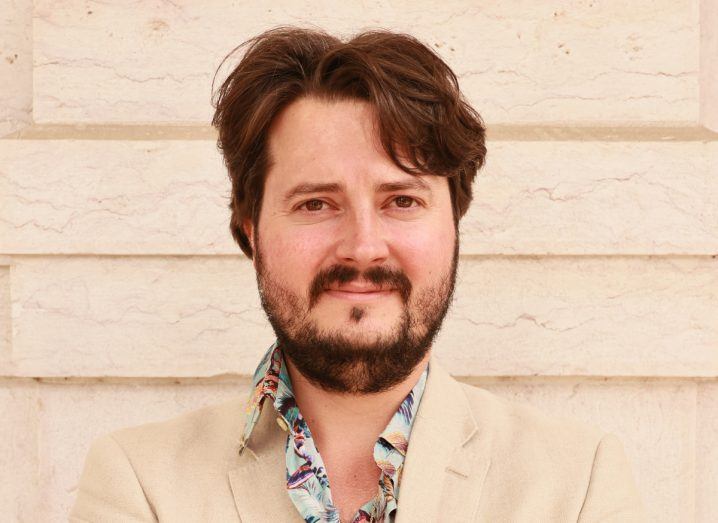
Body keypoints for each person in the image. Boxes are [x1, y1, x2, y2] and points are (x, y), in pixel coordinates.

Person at [70, 27, 646, 522]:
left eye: (401, 200)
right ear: (251, 228)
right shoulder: (137, 482)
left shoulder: (579, 483)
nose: (364, 247)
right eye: (316, 204)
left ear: (455, 223)